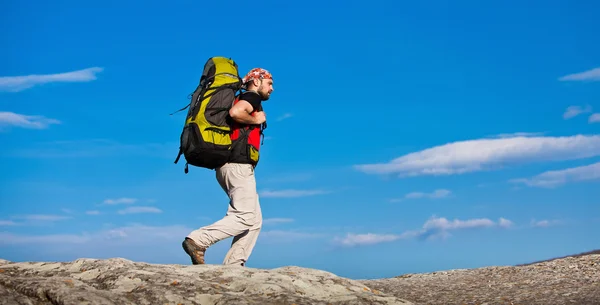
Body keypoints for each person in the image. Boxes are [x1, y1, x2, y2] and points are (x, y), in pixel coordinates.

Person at [182, 68, 274, 267]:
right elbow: (236, 113)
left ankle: (234, 264)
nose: (272, 88)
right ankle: (198, 240)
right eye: (269, 83)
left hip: (229, 166)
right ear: (256, 82)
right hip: (237, 165)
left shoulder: (241, 97)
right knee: (244, 216)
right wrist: (255, 119)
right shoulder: (251, 97)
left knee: (254, 220)